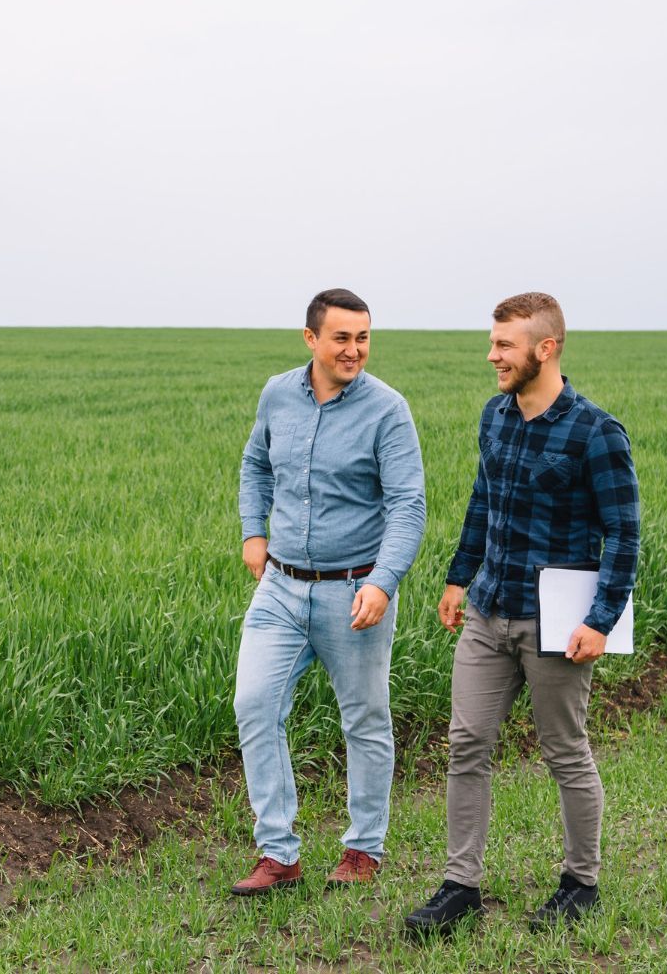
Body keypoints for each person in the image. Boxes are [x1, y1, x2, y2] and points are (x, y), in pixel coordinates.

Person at [404, 292, 640, 932]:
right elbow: (484, 500)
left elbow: (622, 533)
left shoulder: (596, 432)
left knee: (565, 750)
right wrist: (458, 578)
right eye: (493, 342)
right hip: (489, 609)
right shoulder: (496, 416)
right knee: (466, 743)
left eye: (505, 345)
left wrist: (601, 618)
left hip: (555, 622)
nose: (492, 355)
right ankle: (460, 888)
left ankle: (580, 884)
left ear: (547, 347)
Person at [231, 288, 427, 895]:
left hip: (353, 592)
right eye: (342, 337)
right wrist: (253, 532)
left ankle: (363, 849)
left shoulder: (387, 410)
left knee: (365, 720)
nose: (355, 350)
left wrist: (383, 582)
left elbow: (408, 506)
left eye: (363, 337)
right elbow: (255, 464)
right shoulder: (277, 394)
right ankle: (279, 854)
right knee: (255, 705)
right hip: (281, 588)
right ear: (311, 338)